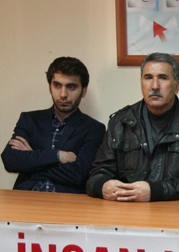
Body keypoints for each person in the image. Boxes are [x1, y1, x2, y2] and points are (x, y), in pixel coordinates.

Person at [86, 53, 179, 202]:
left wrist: (155, 191)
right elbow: (97, 173)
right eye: (148, 78)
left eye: (163, 78)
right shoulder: (121, 122)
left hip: (173, 209)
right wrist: (102, 186)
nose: (154, 86)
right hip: (126, 208)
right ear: (141, 84)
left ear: (177, 86)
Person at [1, 57, 105, 194]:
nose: (63, 94)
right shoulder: (30, 120)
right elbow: (10, 160)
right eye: (57, 85)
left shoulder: (94, 128)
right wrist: (58, 156)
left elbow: (78, 175)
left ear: (83, 90)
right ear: (50, 87)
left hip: (66, 201)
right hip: (26, 197)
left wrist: (32, 159)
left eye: (71, 87)